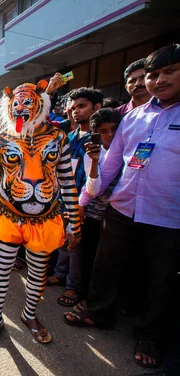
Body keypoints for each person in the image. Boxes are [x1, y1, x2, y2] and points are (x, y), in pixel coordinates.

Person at [64, 44, 180, 370]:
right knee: (106, 262)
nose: (158, 80)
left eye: (169, 72)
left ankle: (151, 336)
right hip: (123, 206)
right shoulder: (134, 118)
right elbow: (112, 164)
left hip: (168, 214)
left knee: (162, 278)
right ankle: (98, 312)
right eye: (154, 74)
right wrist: (82, 203)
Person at [0, 80, 81, 346]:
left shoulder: (57, 137)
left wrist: (74, 221)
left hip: (45, 218)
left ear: (41, 103)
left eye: (27, 102)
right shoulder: (1, 139)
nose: (20, 108)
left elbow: (67, 180)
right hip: (9, 216)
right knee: (3, 269)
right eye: (15, 103)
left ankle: (30, 315)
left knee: (37, 270)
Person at [49, 87, 103, 307]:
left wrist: (81, 203)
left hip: (85, 202)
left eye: (82, 106)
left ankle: (74, 287)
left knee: (76, 246)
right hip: (63, 198)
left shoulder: (97, 140)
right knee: (63, 240)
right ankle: (60, 274)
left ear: (96, 107)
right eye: (72, 107)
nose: (75, 111)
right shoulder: (68, 137)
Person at [77, 108, 122, 301]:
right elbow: (94, 189)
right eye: (104, 132)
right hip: (94, 214)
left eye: (114, 129)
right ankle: (87, 297)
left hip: (120, 214)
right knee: (90, 257)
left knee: (113, 261)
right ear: (96, 134)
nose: (110, 135)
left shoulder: (128, 151)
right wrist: (95, 161)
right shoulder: (91, 155)